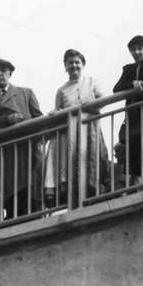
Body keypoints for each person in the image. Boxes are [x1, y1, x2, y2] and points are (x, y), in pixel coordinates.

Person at [0, 57, 46, 220]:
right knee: (11, 190)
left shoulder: (26, 93)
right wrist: (7, 120)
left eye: (3, 70)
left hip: (27, 147)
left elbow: (40, 119)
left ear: (10, 73)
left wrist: (27, 126)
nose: (0, 74)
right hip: (7, 150)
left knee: (31, 187)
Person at [45, 49, 109, 206]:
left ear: (83, 64)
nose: (74, 66)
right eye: (70, 63)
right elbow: (57, 111)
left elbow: (102, 99)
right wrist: (56, 112)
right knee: (75, 163)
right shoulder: (62, 90)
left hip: (90, 129)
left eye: (77, 62)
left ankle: (93, 192)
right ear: (65, 67)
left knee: (91, 159)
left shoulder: (91, 81)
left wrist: (91, 105)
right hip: (71, 134)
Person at [114, 36, 143, 185]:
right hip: (133, 116)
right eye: (133, 50)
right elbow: (117, 88)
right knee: (133, 147)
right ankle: (137, 181)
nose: (137, 52)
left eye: (140, 48)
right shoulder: (128, 69)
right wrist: (132, 83)